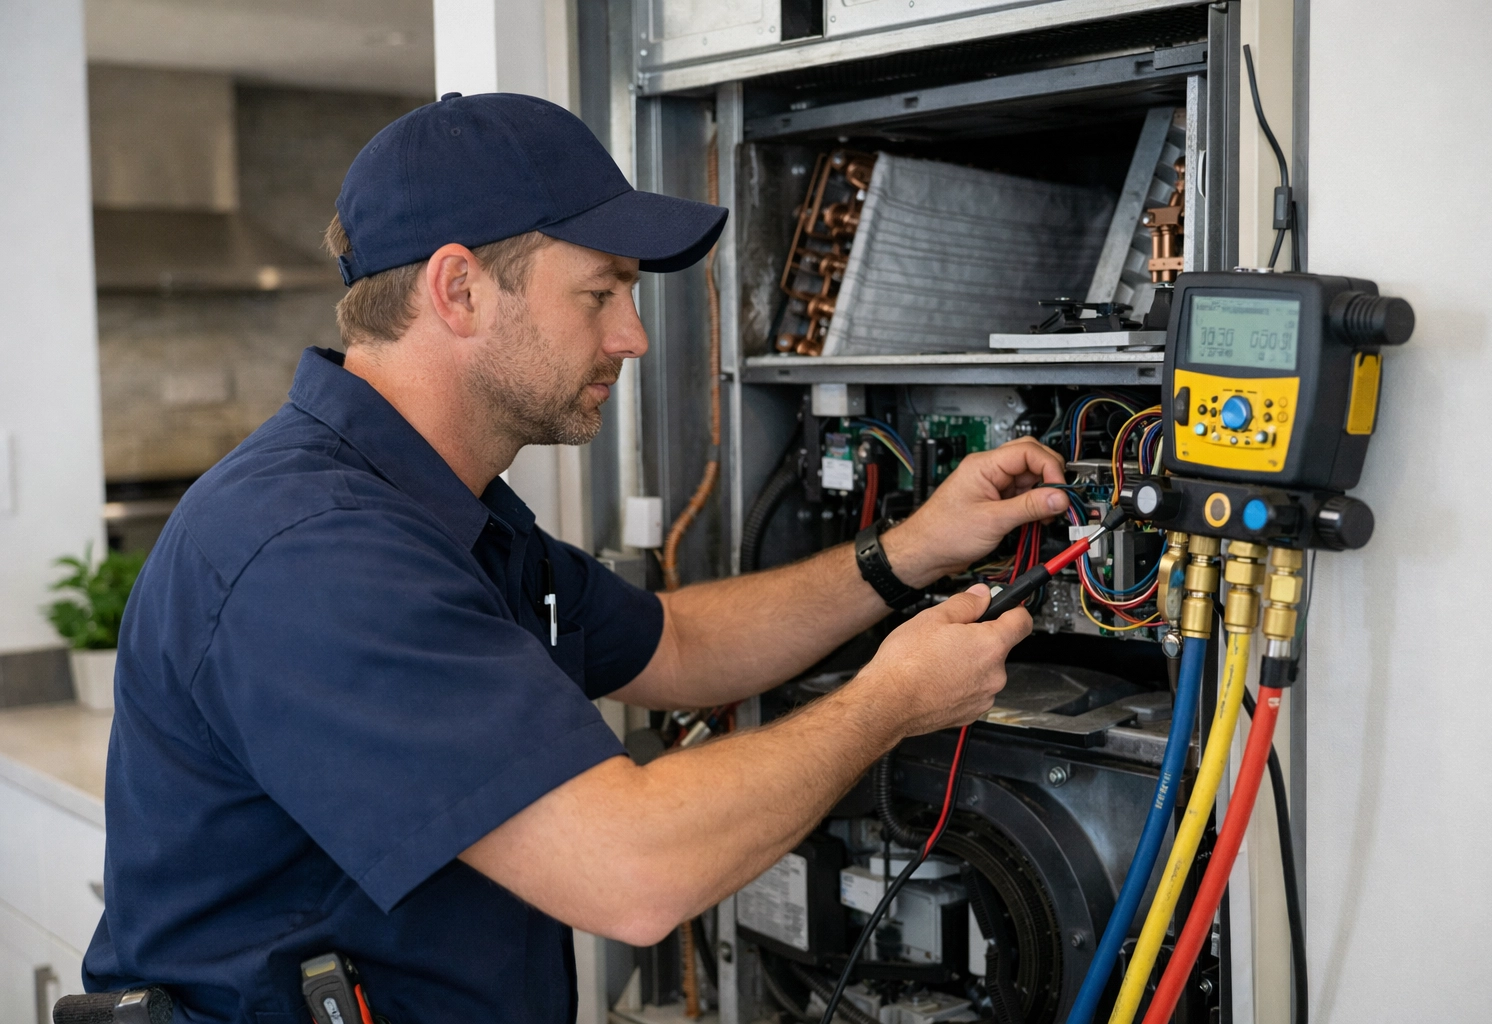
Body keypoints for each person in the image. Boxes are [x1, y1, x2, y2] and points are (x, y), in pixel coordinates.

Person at [83, 92, 1069, 1022]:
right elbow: (631, 873)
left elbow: (676, 641)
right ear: (459, 288)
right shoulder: (313, 551)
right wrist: (894, 700)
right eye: (601, 292)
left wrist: (910, 549)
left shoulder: (452, 513)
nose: (633, 336)